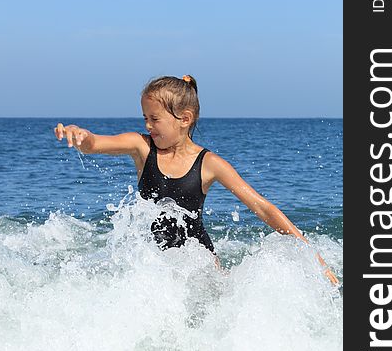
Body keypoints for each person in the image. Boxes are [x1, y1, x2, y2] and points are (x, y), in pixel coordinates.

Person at [54, 75, 339, 285]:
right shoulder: (142, 148)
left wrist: (315, 260)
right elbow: (96, 143)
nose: (147, 126)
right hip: (152, 265)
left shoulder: (210, 164)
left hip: (200, 266)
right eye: (145, 118)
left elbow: (264, 209)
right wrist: (80, 135)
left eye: (154, 119)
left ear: (184, 118)